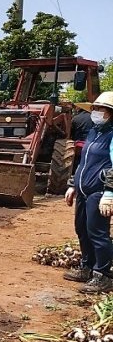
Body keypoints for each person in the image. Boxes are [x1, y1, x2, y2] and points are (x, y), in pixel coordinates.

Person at [64, 91, 113, 293]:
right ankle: (87, 267)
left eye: (101, 109)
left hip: (99, 192)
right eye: (95, 108)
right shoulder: (94, 132)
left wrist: (110, 193)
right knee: (82, 230)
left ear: (110, 113)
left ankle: (103, 275)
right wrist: (73, 184)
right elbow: (83, 162)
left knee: (98, 233)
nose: (96, 112)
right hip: (84, 191)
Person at [71, 102, 94, 171]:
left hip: (77, 143)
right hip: (90, 143)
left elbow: (72, 132)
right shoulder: (93, 118)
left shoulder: (75, 118)